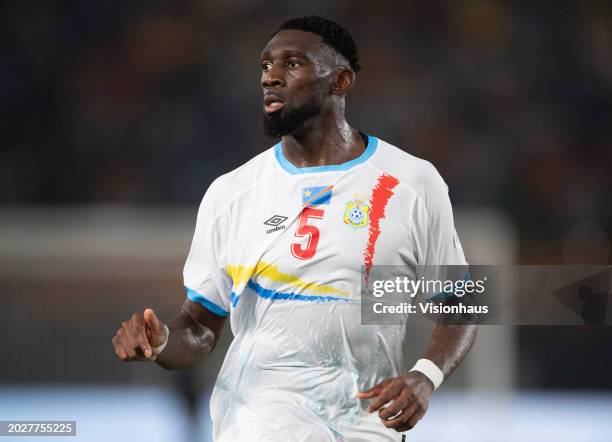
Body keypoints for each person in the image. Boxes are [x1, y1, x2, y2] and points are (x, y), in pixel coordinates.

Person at [112, 15, 476, 442]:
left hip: (367, 421)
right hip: (258, 418)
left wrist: (424, 376)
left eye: (292, 64)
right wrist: (161, 341)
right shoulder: (232, 192)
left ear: (340, 81)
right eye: (266, 65)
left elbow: (462, 303)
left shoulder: (411, 183)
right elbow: (198, 326)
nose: (271, 77)